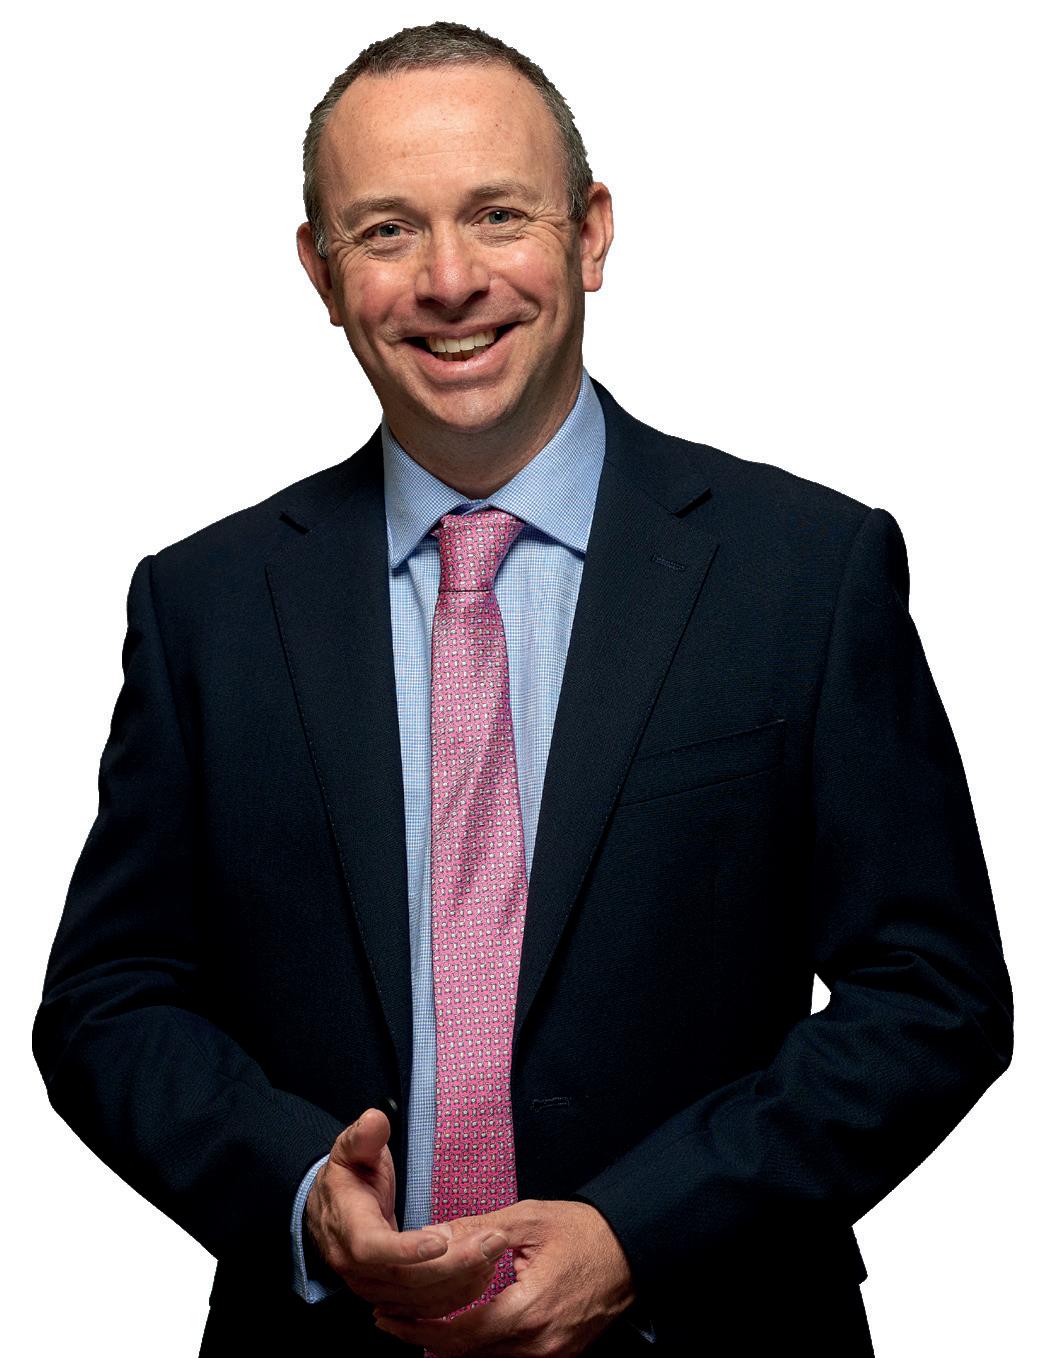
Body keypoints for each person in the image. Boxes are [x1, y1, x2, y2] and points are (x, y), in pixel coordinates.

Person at [32, 20, 1014, 1358]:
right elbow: (109, 1000)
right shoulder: (203, 605)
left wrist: (640, 1233)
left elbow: (933, 998)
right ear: (321, 272)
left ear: (592, 233)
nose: (450, 280)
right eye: (387, 231)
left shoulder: (806, 572)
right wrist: (303, 1190)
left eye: (499, 214)